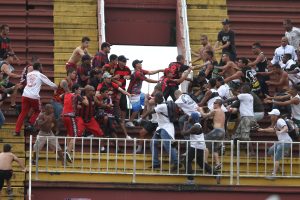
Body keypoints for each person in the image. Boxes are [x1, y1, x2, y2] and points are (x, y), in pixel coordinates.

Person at [14, 62, 58, 136]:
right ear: (39, 67)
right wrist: (56, 87)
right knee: (38, 111)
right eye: (41, 66)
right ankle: (30, 124)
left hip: (25, 95)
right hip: (34, 96)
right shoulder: (40, 75)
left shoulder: (28, 74)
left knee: (23, 113)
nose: (42, 68)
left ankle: (17, 131)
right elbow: (50, 83)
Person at [181, 113, 220, 184]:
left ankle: (190, 179)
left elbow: (183, 133)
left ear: (193, 118)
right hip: (200, 146)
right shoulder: (197, 125)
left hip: (195, 146)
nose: (189, 117)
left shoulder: (195, 127)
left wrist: (185, 124)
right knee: (201, 163)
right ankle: (215, 174)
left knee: (186, 161)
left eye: (190, 116)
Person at [148, 92, 180, 172]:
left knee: (167, 145)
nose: (154, 99)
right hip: (160, 127)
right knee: (153, 143)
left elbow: (150, 112)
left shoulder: (162, 106)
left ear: (158, 99)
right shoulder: (160, 105)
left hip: (166, 127)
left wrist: (141, 118)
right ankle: (156, 163)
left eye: (155, 98)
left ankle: (176, 163)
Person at [258, 109, 292, 180]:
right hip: (281, 141)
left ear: (275, 116)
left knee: (276, 157)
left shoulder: (280, 120)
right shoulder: (277, 122)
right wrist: (263, 130)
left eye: (271, 115)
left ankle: (274, 174)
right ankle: (278, 169)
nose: (270, 116)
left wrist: (280, 132)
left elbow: (285, 128)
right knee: (270, 151)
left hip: (285, 142)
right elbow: (273, 129)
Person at [126, 59, 162, 127]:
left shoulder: (141, 71)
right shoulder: (137, 73)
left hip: (138, 93)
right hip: (133, 94)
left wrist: (159, 70)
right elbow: (147, 80)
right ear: (136, 65)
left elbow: (150, 72)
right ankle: (129, 122)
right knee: (137, 108)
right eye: (140, 63)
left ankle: (142, 118)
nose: (141, 64)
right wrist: (157, 81)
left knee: (148, 100)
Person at [97, 72, 133, 139]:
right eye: (108, 78)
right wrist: (105, 96)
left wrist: (128, 94)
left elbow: (121, 90)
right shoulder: (101, 85)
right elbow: (97, 94)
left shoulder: (112, 84)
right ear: (104, 79)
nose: (110, 79)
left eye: (110, 78)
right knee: (105, 119)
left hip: (113, 102)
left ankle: (126, 135)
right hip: (104, 104)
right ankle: (104, 133)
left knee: (118, 119)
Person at [198, 99, 225, 170]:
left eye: (214, 103)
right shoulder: (222, 111)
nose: (213, 104)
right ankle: (218, 163)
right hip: (222, 131)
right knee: (214, 149)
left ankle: (205, 163)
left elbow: (204, 116)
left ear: (218, 104)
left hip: (217, 131)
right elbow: (213, 118)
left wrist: (200, 110)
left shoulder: (215, 110)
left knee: (205, 143)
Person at [61, 84, 82, 159]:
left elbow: (60, 96)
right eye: (79, 89)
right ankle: (68, 152)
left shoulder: (66, 94)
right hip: (71, 116)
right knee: (74, 135)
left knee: (69, 133)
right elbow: (86, 103)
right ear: (75, 90)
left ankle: (67, 147)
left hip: (64, 115)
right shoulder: (76, 95)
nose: (80, 91)